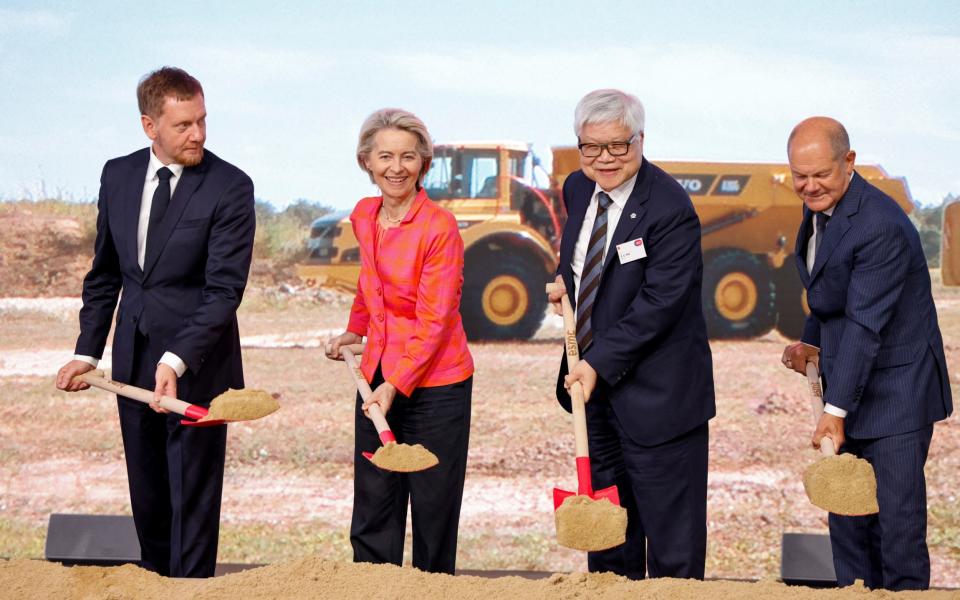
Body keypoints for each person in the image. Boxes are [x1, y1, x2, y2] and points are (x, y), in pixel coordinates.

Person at [55, 67, 256, 578]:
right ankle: (151, 584)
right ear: (150, 126)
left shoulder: (230, 186)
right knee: (146, 487)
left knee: (190, 492)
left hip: (198, 363)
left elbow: (223, 291)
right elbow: (105, 275)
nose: (198, 135)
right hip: (132, 358)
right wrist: (87, 351)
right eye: (184, 125)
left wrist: (177, 358)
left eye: (203, 121)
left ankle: (189, 590)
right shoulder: (116, 175)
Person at [547, 89, 715, 579]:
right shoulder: (578, 188)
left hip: (660, 400)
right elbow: (582, 256)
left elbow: (661, 303)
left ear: (641, 140)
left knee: (672, 550)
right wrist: (565, 284)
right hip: (595, 400)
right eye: (590, 147)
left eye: (617, 146)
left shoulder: (670, 208)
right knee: (608, 545)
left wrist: (597, 363)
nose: (603, 159)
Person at [781, 117, 951, 591]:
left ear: (849, 162)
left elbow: (863, 322)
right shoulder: (819, 208)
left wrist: (835, 411)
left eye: (821, 175)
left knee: (896, 530)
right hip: (850, 383)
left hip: (898, 392)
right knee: (849, 526)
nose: (809, 186)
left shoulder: (879, 225)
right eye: (800, 176)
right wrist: (810, 338)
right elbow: (827, 294)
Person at [325, 108, 473, 574]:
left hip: (437, 385)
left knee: (432, 508)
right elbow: (372, 285)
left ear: (424, 163)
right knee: (374, 503)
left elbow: (435, 318)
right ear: (366, 160)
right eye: (385, 155)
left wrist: (397, 383)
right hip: (378, 375)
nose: (396, 167)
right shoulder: (365, 215)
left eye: (408, 156)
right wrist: (356, 329)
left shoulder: (439, 227)